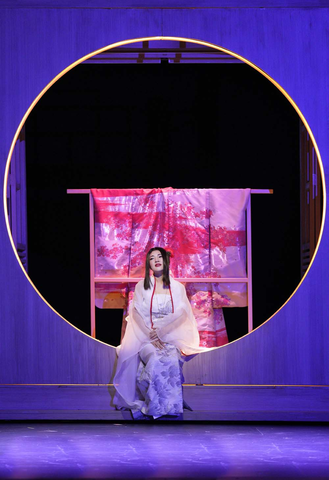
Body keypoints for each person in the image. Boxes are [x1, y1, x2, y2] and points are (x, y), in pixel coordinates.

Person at [113, 246, 204, 420]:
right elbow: (137, 314)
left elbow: (182, 314)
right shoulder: (142, 286)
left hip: (171, 336)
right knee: (155, 356)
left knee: (171, 357)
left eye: (160, 257)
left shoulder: (177, 288)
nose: (156, 260)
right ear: (149, 263)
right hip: (145, 337)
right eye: (152, 257)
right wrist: (151, 335)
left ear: (166, 261)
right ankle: (156, 406)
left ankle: (171, 408)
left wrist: (162, 333)